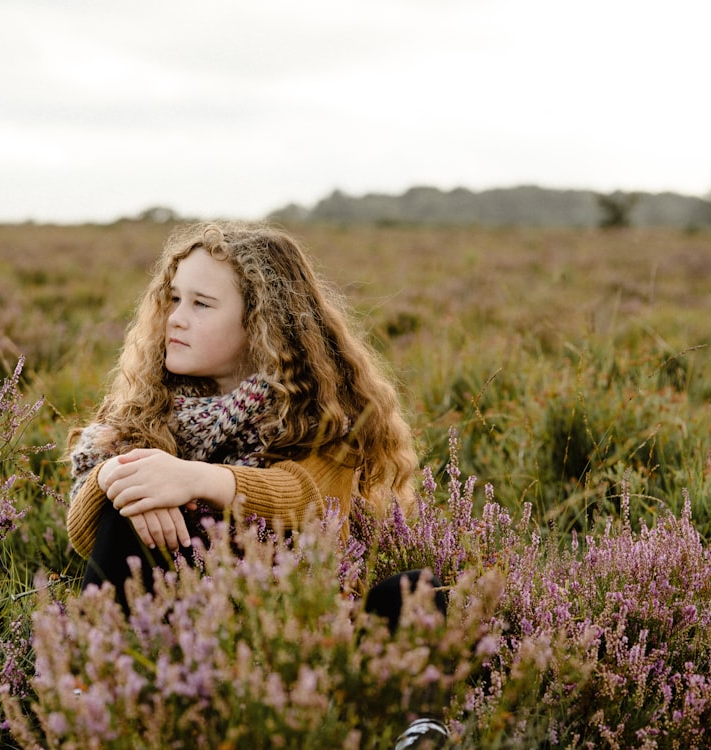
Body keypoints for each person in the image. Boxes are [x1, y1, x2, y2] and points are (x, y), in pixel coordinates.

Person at [67, 221, 448, 748]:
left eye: (202, 304)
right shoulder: (145, 410)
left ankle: (418, 732)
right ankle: (75, 705)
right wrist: (115, 476)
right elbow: (86, 535)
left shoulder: (328, 414)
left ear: (263, 323)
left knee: (417, 593)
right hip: (195, 635)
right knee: (126, 506)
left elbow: (311, 497)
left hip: (308, 631)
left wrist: (193, 478)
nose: (175, 319)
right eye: (173, 299)